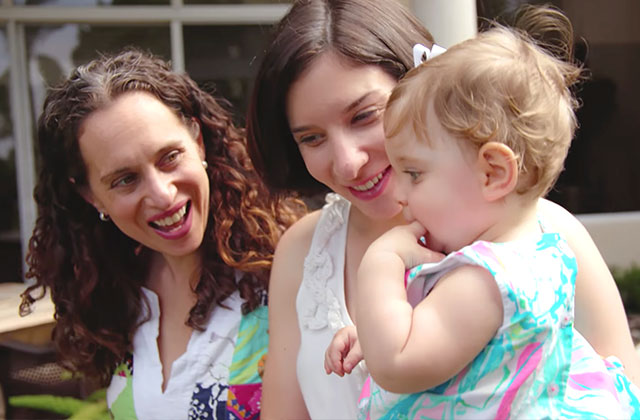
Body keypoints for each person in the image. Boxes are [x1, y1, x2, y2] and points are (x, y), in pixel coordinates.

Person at [246, 0, 640, 418]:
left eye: (363, 116)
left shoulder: (542, 234)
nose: (347, 161)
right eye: (311, 138)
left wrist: (383, 260)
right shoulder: (303, 251)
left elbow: (621, 394)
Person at [20, 48, 304, 419]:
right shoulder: (117, 295)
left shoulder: (288, 270)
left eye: (169, 157)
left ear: (197, 141)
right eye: (125, 179)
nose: (162, 194)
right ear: (91, 197)